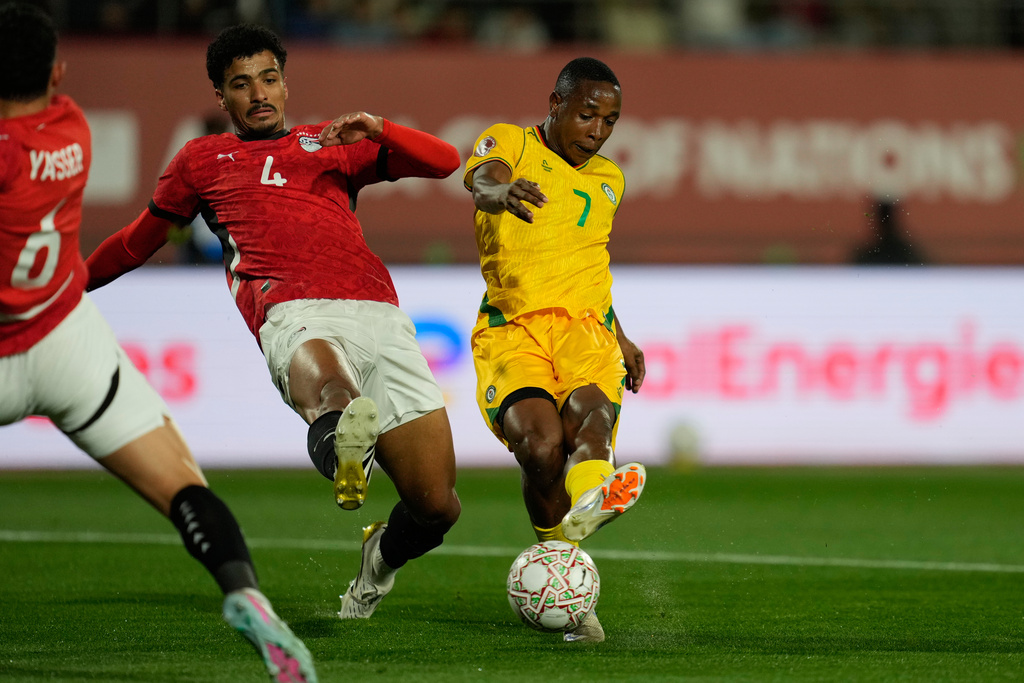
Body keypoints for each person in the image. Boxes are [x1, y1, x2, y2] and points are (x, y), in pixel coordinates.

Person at [84, 23, 462, 622]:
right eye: (241, 84)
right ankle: (343, 445)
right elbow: (136, 243)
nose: (258, 93)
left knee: (438, 508)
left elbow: (447, 163)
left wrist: (380, 128)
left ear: (285, 84)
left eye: (268, 78)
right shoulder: (202, 161)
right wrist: (70, 286)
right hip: (292, 310)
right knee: (336, 392)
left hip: (381, 316)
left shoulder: (331, 142)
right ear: (221, 97)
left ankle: (377, 559)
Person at [0, 5, 315, 682]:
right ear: (56, 73)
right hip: (64, 341)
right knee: (181, 484)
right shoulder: (72, 127)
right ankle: (242, 590)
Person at [463, 57, 647, 643]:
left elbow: (592, 264)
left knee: (591, 425)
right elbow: (479, 179)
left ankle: (591, 504)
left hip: (588, 333)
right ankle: (566, 548)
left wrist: (620, 333)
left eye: (610, 120)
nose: (597, 130)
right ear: (556, 103)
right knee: (540, 448)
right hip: (513, 328)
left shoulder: (609, 180)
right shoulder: (512, 143)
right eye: (588, 114)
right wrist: (499, 189)